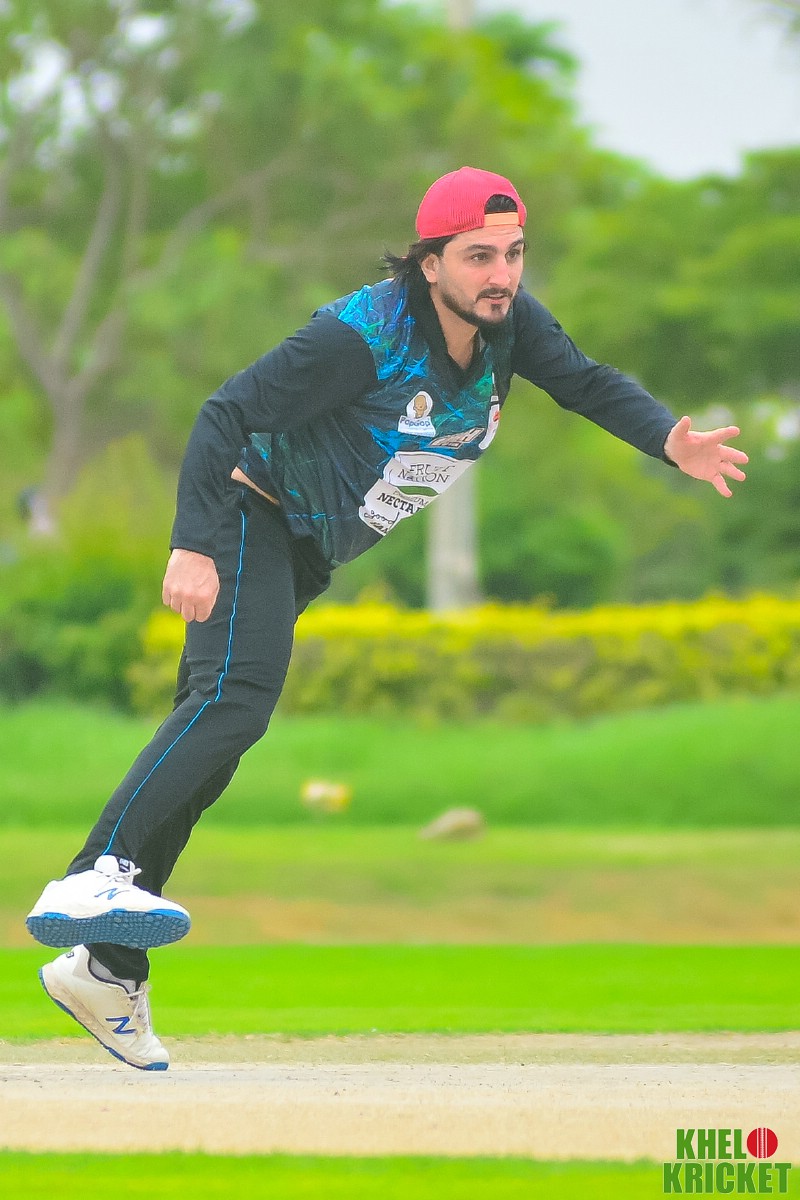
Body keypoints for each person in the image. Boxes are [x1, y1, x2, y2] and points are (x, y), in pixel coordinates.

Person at [26, 166, 748, 1070]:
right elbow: (225, 412)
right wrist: (194, 544)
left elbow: (587, 383)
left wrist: (668, 439)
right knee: (233, 701)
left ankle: (107, 966)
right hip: (251, 515)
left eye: (514, 253)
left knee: (215, 739)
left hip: (302, 551)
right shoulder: (361, 337)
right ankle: (95, 875)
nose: (502, 274)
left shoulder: (510, 326)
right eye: (479, 256)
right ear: (430, 261)